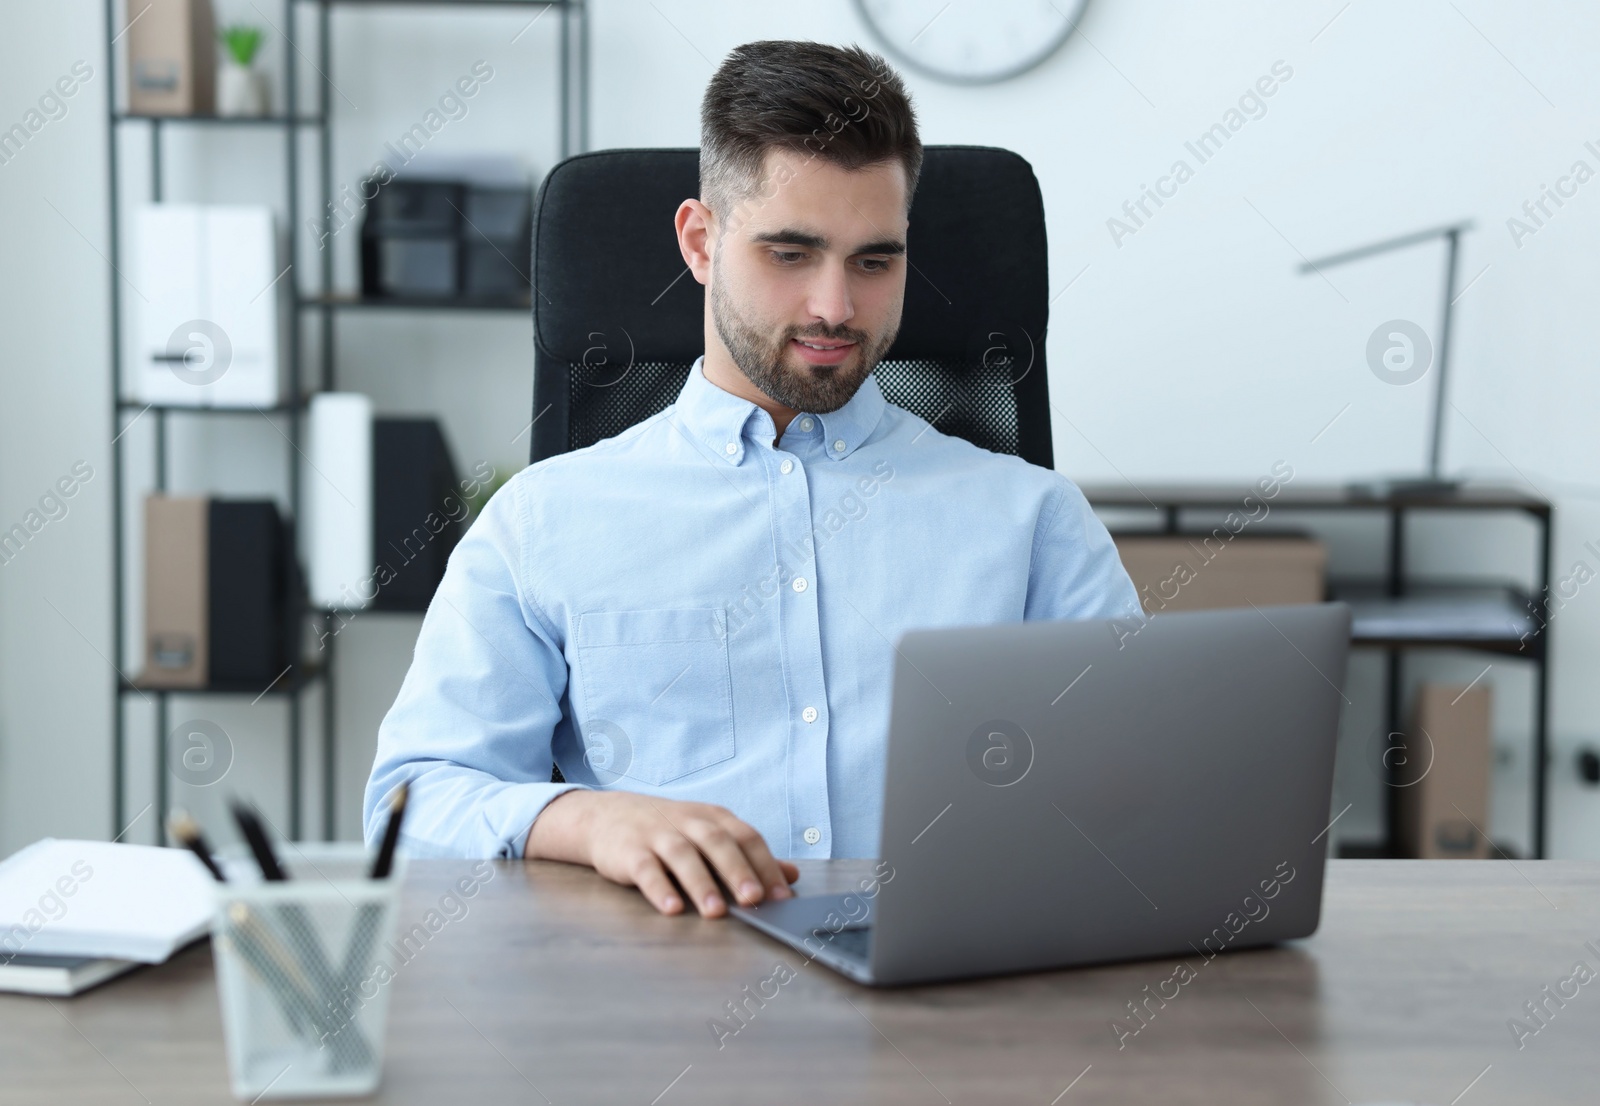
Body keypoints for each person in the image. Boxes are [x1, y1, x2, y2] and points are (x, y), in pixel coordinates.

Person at [363, 40, 1139, 920]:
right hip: (659, 1008)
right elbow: (410, 805)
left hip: (952, 1007)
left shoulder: (1032, 522)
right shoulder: (543, 522)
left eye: (874, 261)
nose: (835, 307)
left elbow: (1147, 797)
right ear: (701, 241)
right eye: (790, 253)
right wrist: (586, 821)